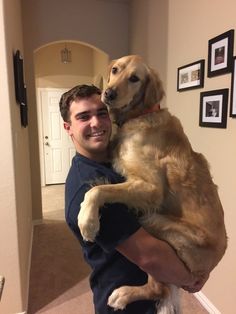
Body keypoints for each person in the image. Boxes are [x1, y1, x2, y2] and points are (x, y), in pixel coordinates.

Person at [59, 84, 208, 314]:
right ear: (68, 127)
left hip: (160, 289)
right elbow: (149, 256)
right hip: (129, 304)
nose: (96, 123)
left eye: (101, 112)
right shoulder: (88, 186)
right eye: (83, 117)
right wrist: (191, 277)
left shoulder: (118, 158)